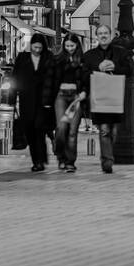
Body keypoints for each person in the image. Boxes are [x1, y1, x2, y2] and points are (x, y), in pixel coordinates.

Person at [80, 24, 133, 173]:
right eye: (100, 33)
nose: (103, 35)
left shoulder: (121, 53)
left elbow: (129, 70)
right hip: (99, 98)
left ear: (110, 35)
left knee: (114, 131)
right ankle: (107, 161)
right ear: (96, 36)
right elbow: (83, 75)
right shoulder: (89, 55)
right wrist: (98, 68)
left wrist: (114, 67)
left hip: (115, 97)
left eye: (105, 33)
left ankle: (108, 155)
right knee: (104, 130)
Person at [12, 35, 55, 172]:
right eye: (35, 47)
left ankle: (40, 161)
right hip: (26, 100)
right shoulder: (22, 58)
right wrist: (12, 100)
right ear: (31, 46)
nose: (37, 50)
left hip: (43, 101)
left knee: (39, 130)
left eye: (40, 48)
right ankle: (36, 159)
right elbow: (15, 78)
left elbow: (53, 78)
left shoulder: (48, 58)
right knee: (30, 131)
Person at [51, 33, 88, 173]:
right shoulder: (58, 60)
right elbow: (53, 79)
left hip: (76, 97)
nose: (69, 48)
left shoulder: (82, 60)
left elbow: (86, 78)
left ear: (77, 45)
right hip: (61, 96)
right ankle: (61, 156)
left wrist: (84, 91)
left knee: (72, 131)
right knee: (61, 128)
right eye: (67, 46)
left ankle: (70, 161)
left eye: (72, 46)